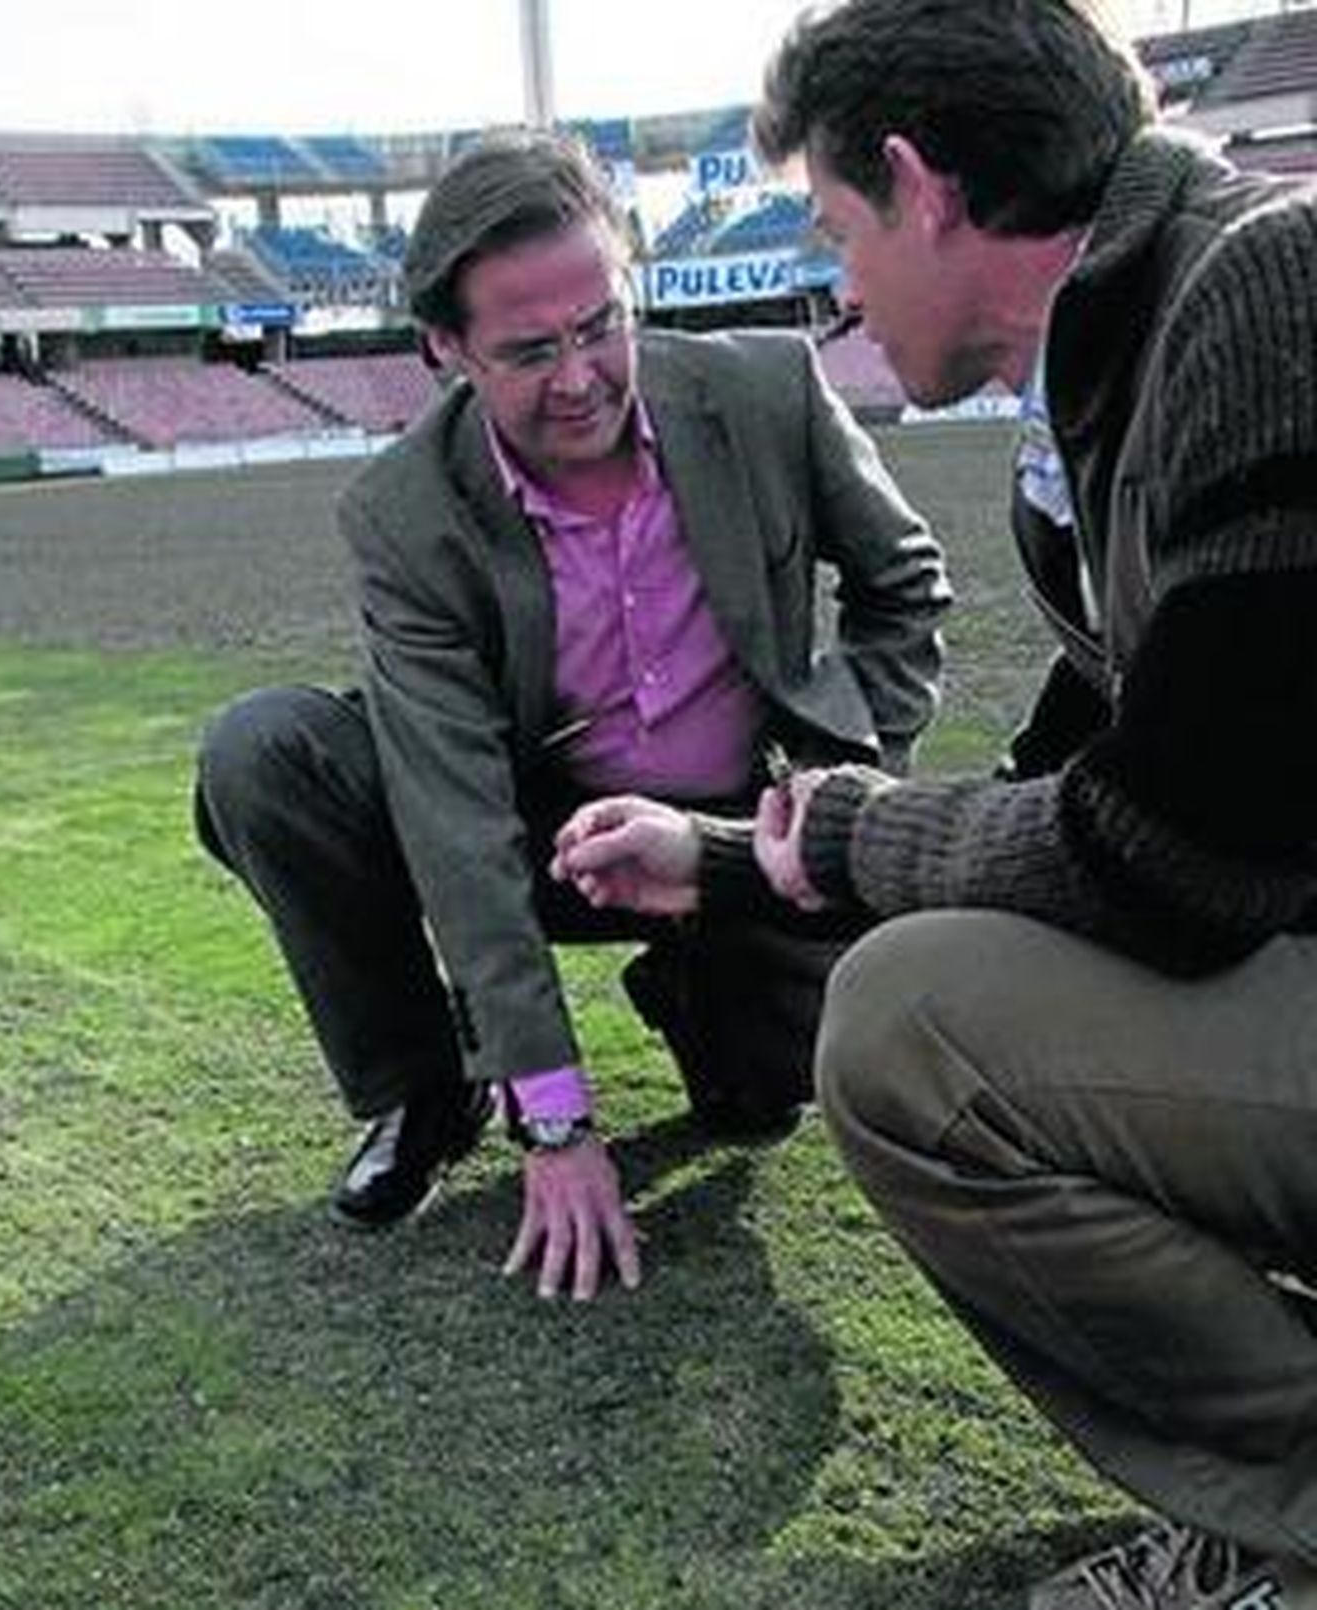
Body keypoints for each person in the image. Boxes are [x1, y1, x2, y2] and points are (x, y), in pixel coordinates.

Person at [551, 0, 1317, 1600]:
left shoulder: (1264, 281)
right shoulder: (1137, 350)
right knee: (921, 990)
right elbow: (1065, 796)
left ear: (923, 185)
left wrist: (836, 837)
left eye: (838, 225)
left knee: (910, 1036)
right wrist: (740, 864)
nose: (837, 284)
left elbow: (1180, 858)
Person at [194, 128, 951, 1301]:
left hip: (736, 829)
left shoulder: (767, 390)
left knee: (767, 1093)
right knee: (266, 751)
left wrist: (834, 787)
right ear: (447, 349)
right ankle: (423, 1088)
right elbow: (454, 819)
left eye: (602, 323)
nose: (583, 375)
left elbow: (903, 587)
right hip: (539, 825)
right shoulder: (402, 513)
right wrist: (551, 1114)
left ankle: (707, 988)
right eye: (530, 349)